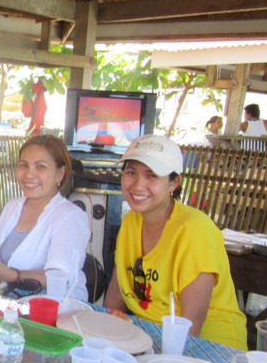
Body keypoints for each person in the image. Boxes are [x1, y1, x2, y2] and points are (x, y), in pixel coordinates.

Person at [103, 134, 247, 350]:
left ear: (174, 182)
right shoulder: (131, 222)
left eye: (152, 175)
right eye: (131, 172)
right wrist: (104, 338)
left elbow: (192, 322)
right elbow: (116, 292)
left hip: (208, 346)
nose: (138, 185)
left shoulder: (195, 230)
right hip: (149, 336)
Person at [0, 135, 90, 299]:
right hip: (9, 302)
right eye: (24, 165)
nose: (29, 174)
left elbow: (59, 276)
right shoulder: (12, 207)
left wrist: (13, 275)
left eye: (41, 167)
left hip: (55, 308)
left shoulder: (70, 216)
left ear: (59, 174)